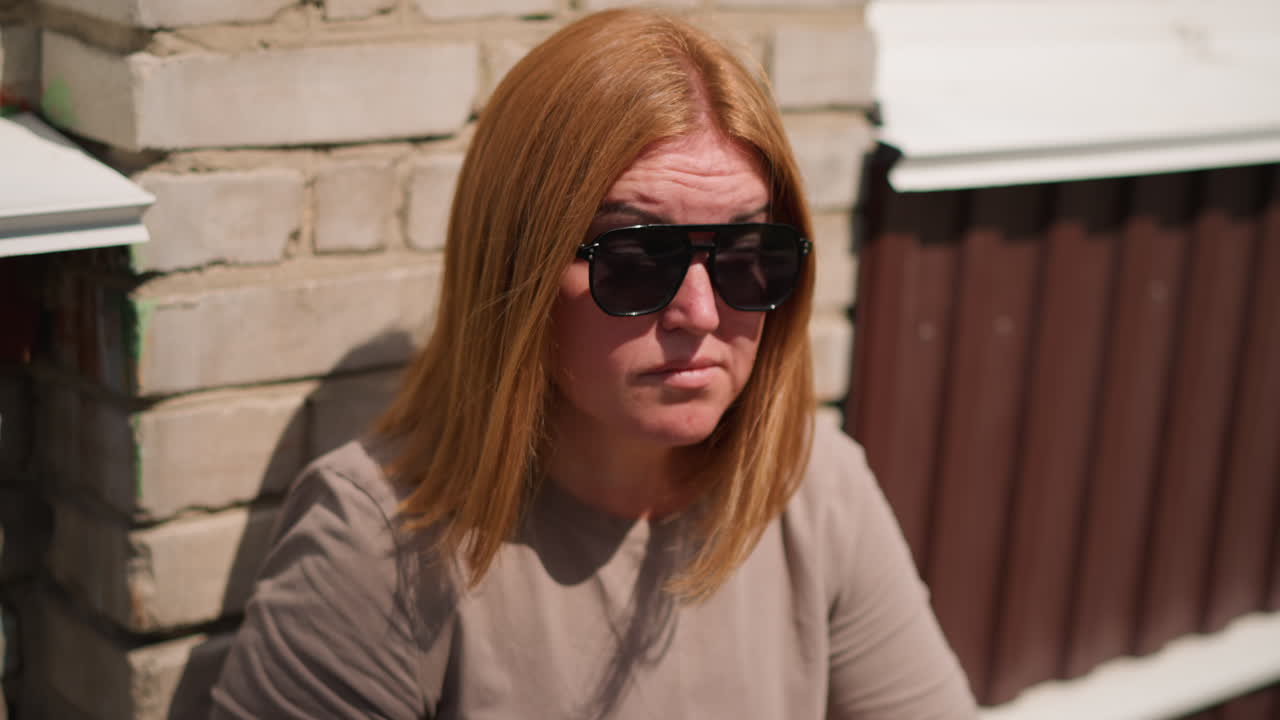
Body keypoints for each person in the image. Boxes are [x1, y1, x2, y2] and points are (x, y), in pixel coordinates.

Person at [210, 8, 978, 719]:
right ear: (518, 272)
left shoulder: (813, 489)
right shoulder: (378, 544)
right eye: (638, 257)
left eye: (749, 256)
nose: (702, 313)